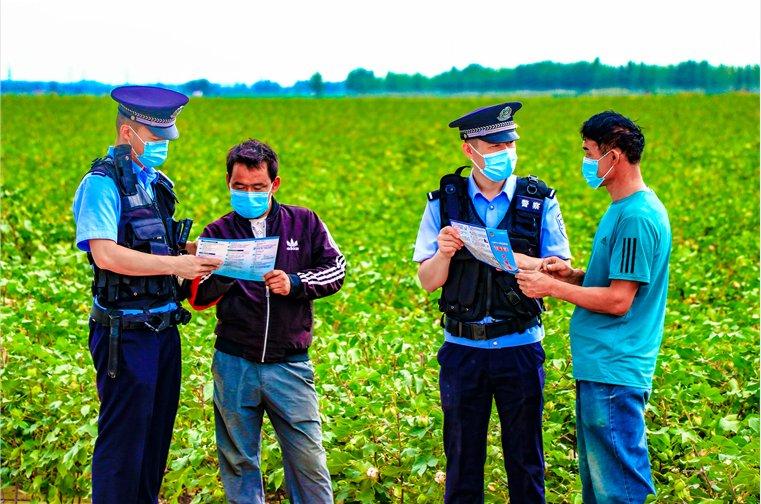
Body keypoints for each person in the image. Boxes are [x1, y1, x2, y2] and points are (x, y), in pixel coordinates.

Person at [413, 102, 571, 503]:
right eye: (494, 145)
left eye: (510, 144)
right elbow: (428, 282)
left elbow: (562, 270)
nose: (505, 153)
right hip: (463, 352)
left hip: (520, 347)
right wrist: (444, 253)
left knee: (526, 461)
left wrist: (521, 261)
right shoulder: (442, 202)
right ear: (470, 150)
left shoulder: (541, 200)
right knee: (462, 461)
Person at [71, 85, 222, 503]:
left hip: (163, 329)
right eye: (154, 140)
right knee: (124, 444)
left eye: (164, 141)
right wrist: (177, 266)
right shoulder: (102, 184)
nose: (161, 149)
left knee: (156, 438)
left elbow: (154, 246)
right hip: (126, 333)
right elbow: (106, 255)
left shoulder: (157, 183)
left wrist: (191, 252)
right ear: (127, 134)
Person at [516, 111, 671, 503]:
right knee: (600, 485)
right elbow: (619, 280)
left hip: (615, 368)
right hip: (602, 366)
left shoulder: (636, 216)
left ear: (614, 156)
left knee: (619, 486)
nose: (586, 162)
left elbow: (619, 300)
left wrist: (549, 287)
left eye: (589, 153)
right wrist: (572, 275)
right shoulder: (622, 208)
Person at [187, 139, 345, 504]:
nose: (248, 194)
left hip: (289, 364)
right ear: (228, 182)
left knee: (308, 460)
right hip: (234, 363)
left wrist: (296, 283)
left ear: (275, 184)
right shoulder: (217, 232)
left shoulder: (304, 222)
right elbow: (197, 297)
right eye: (239, 187)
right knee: (239, 460)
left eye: (258, 188)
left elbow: (336, 268)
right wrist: (225, 271)